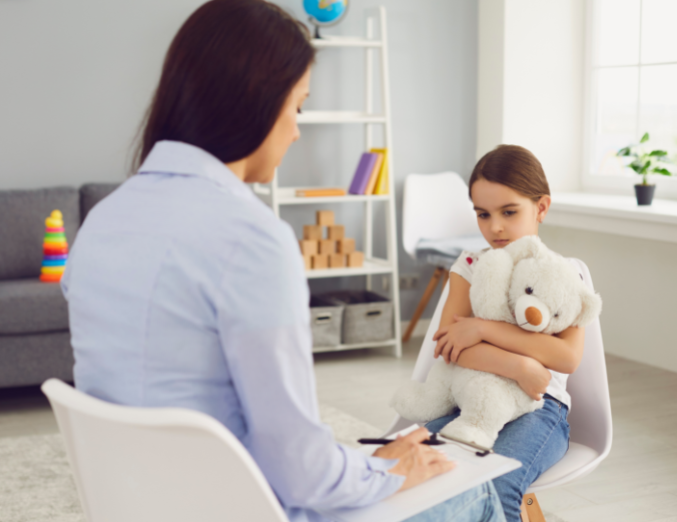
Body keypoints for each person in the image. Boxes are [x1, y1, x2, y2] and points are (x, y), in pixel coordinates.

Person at [61, 1, 504, 520]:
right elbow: (299, 473)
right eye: (297, 106)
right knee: (471, 488)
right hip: (237, 507)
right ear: (257, 102)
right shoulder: (251, 241)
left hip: (143, 502)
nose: (297, 130)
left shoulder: (102, 223)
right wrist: (383, 471)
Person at [425, 144, 580, 522]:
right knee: (420, 474)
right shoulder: (469, 266)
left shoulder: (562, 272)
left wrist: (481, 329)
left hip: (540, 408)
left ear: (541, 207)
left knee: (497, 485)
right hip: (468, 402)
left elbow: (566, 358)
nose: (494, 226)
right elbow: (449, 345)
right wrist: (519, 366)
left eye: (509, 212)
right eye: (483, 214)